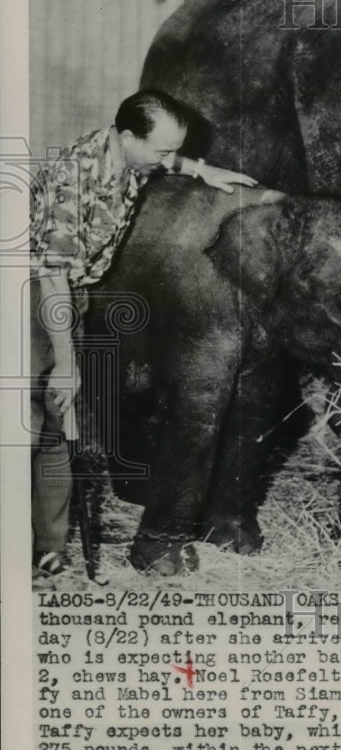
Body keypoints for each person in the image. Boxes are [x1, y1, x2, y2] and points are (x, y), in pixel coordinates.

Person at [30, 89, 258, 576]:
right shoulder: (74, 179)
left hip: (74, 293)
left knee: (54, 429)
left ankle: (48, 547)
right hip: (34, 301)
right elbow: (50, 279)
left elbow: (166, 161)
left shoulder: (129, 157)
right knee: (29, 424)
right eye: (159, 150)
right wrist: (67, 366)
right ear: (127, 136)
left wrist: (201, 169)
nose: (164, 160)